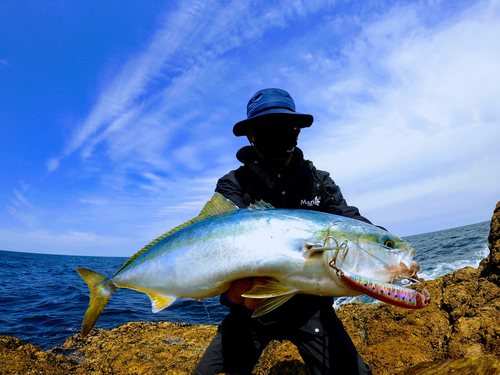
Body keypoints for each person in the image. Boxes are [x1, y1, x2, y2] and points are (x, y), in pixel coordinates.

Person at [194, 88, 374, 375]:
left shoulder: (318, 182)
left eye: (285, 126)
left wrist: (383, 246)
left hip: (309, 306)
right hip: (251, 309)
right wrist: (229, 296)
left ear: (298, 131)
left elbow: (350, 221)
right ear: (251, 135)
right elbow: (221, 241)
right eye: (266, 127)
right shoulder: (234, 184)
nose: (277, 133)